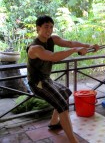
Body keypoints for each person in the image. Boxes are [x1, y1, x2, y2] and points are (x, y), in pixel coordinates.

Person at [26, 15, 99, 143]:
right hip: (37, 83)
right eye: (46, 27)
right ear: (38, 28)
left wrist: (89, 46)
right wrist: (75, 50)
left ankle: (54, 122)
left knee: (65, 92)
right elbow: (53, 56)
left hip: (46, 80)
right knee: (63, 106)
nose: (49, 30)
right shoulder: (35, 48)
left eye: (51, 27)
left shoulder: (52, 39)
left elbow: (70, 43)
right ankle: (73, 140)